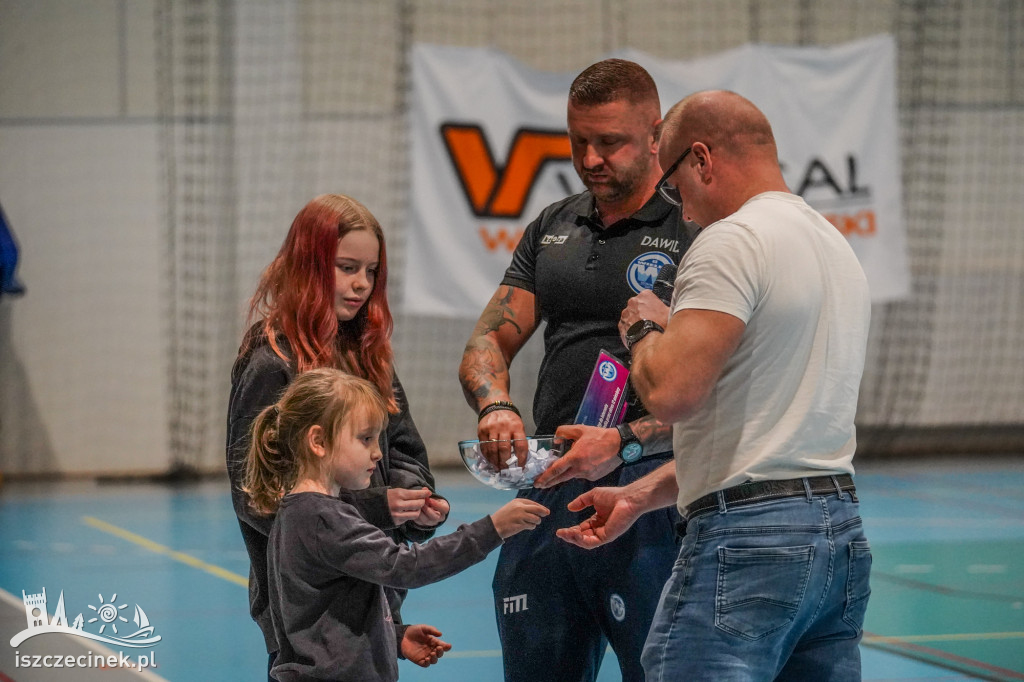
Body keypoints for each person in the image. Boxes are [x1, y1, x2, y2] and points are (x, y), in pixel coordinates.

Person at [557, 90, 873, 680]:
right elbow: (771, 443)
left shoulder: (730, 241)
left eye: (675, 187)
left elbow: (673, 394)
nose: (685, 212)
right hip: (839, 535)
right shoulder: (834, 247)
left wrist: (645, 328)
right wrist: (636, 496)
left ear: (701, 158)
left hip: (749, 544)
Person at [458, 59, 692, 682]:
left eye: (609, 142)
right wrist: (494, 405)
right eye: (578, 141)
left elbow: (719, 391)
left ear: (655, 134)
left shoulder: (695, 228)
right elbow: (487, 340)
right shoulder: (553, 226)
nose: (590, 158)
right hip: (550, 490)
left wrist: (623, 444)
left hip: (649, 496)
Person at [226, 194, 451, 680]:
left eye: (371, 272)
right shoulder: (271, 361)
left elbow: (406, 451)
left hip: (372, 591)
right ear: (309, 265)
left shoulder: (366, 353)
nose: (361, 285)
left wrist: (418, 507)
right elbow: (257, 497)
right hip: (307, 606)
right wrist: (377, 510)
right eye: (346, 267)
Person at [243, 368, 550, 682]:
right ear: (319, 441)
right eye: (365, 439)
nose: (378, 453)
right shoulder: (323, 518)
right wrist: (492, 529)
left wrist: (394, 636)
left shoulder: (301, 511)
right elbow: (407, 567)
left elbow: (326, 617)